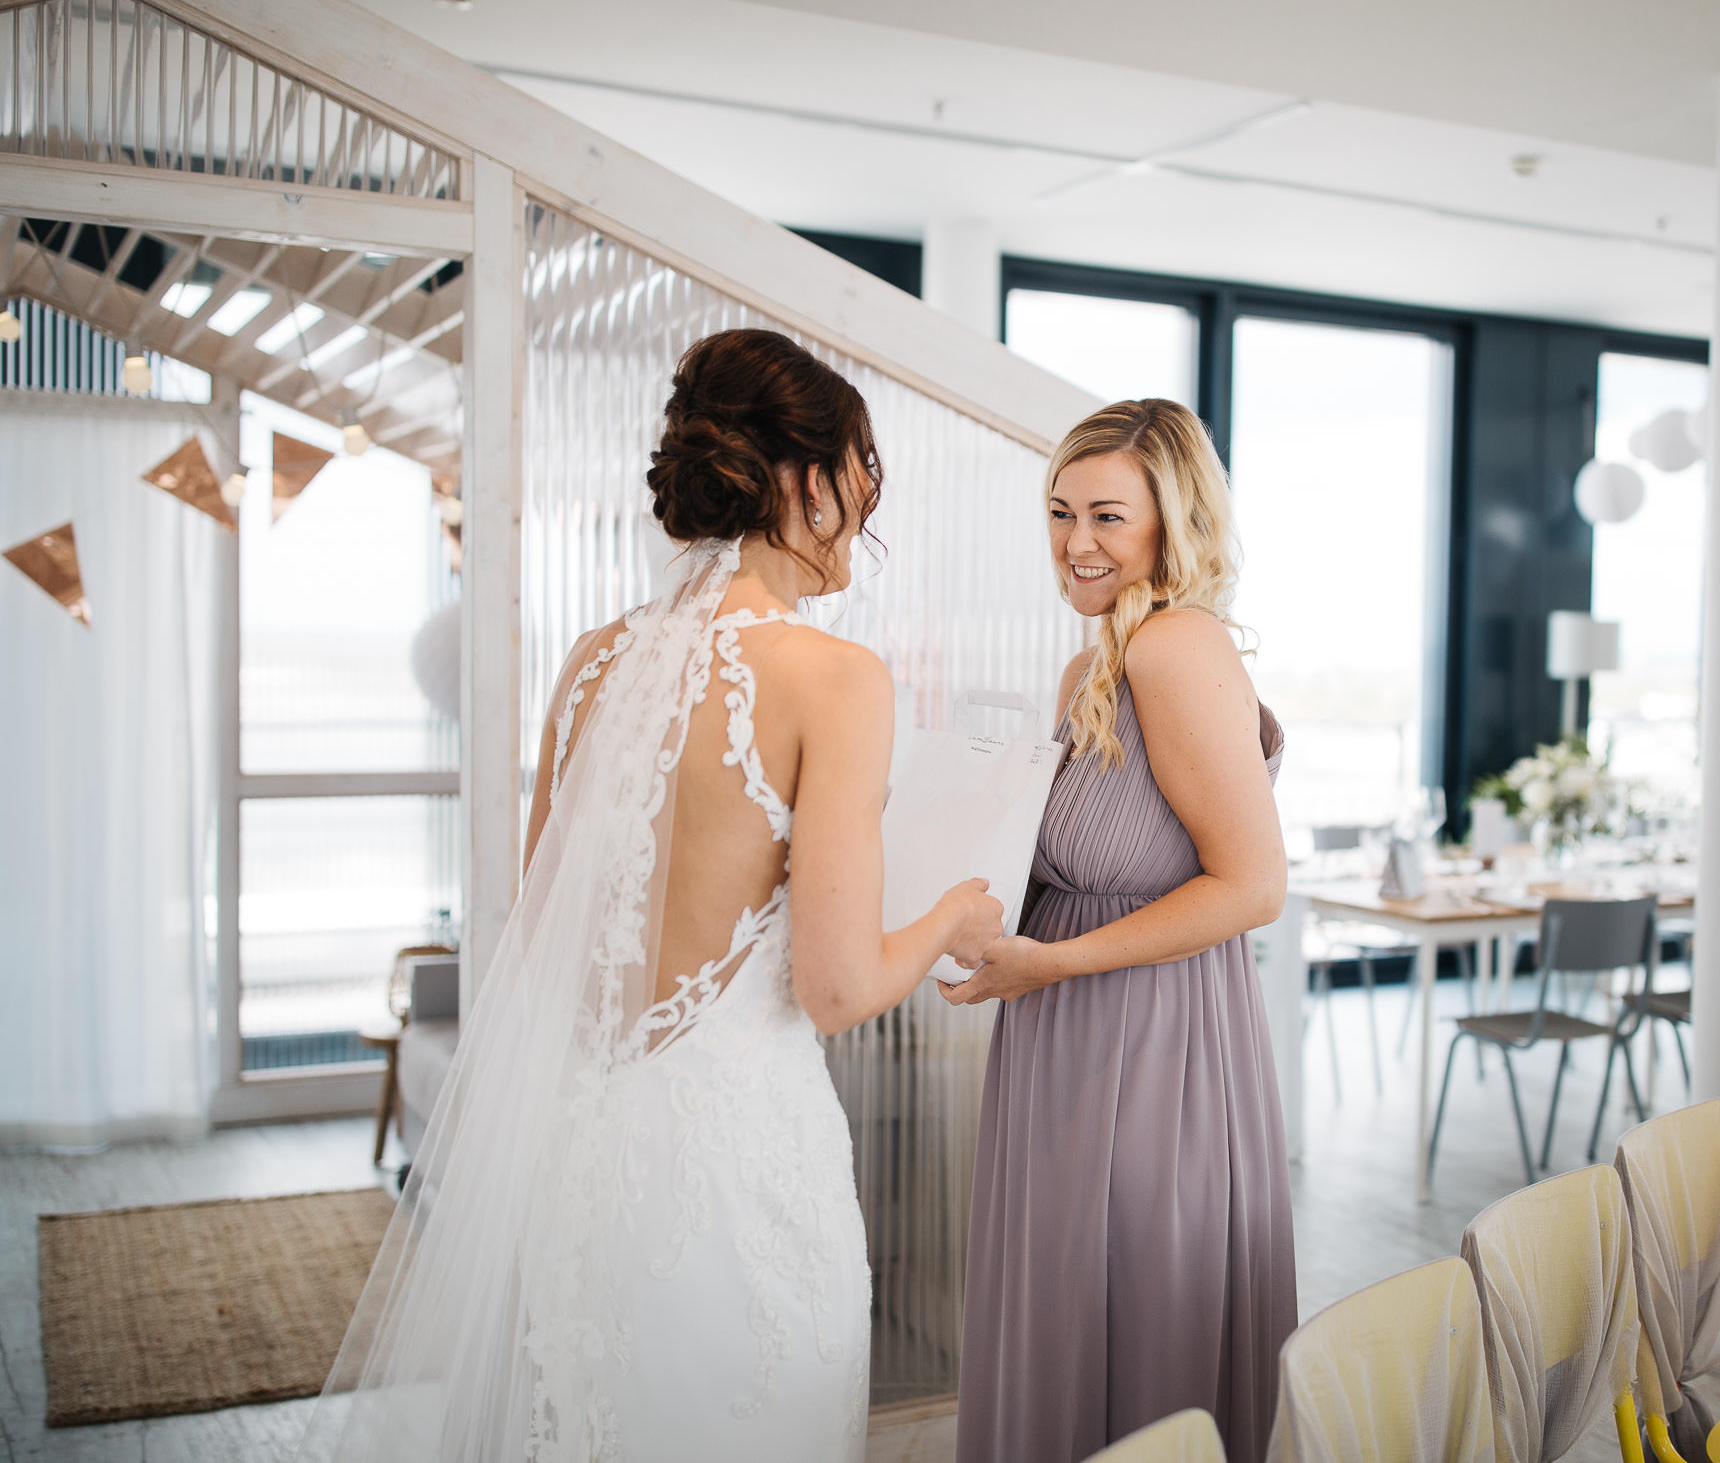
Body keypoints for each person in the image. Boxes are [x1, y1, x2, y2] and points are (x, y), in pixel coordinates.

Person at [295, 328, 1002, 1463]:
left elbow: (542, 933)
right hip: (736, 1170)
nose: (868, 505)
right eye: (859, 470)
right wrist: (956, 915)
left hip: (582, 1160)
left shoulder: (592, 662)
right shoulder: (836, 679)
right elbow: (838, 988)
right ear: (801, 480)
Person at [945, 398, 1296, 1462]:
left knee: (1135, 1316)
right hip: (1065, 1033)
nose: (1076, 543)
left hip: (1149, 1042)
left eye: (1107, 516)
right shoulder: (1093, 666)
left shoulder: (1174, 647)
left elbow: (1253, 886)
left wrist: (1052, 962)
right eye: (1061, 512)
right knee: (1071, 1314)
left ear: (1171, 523)